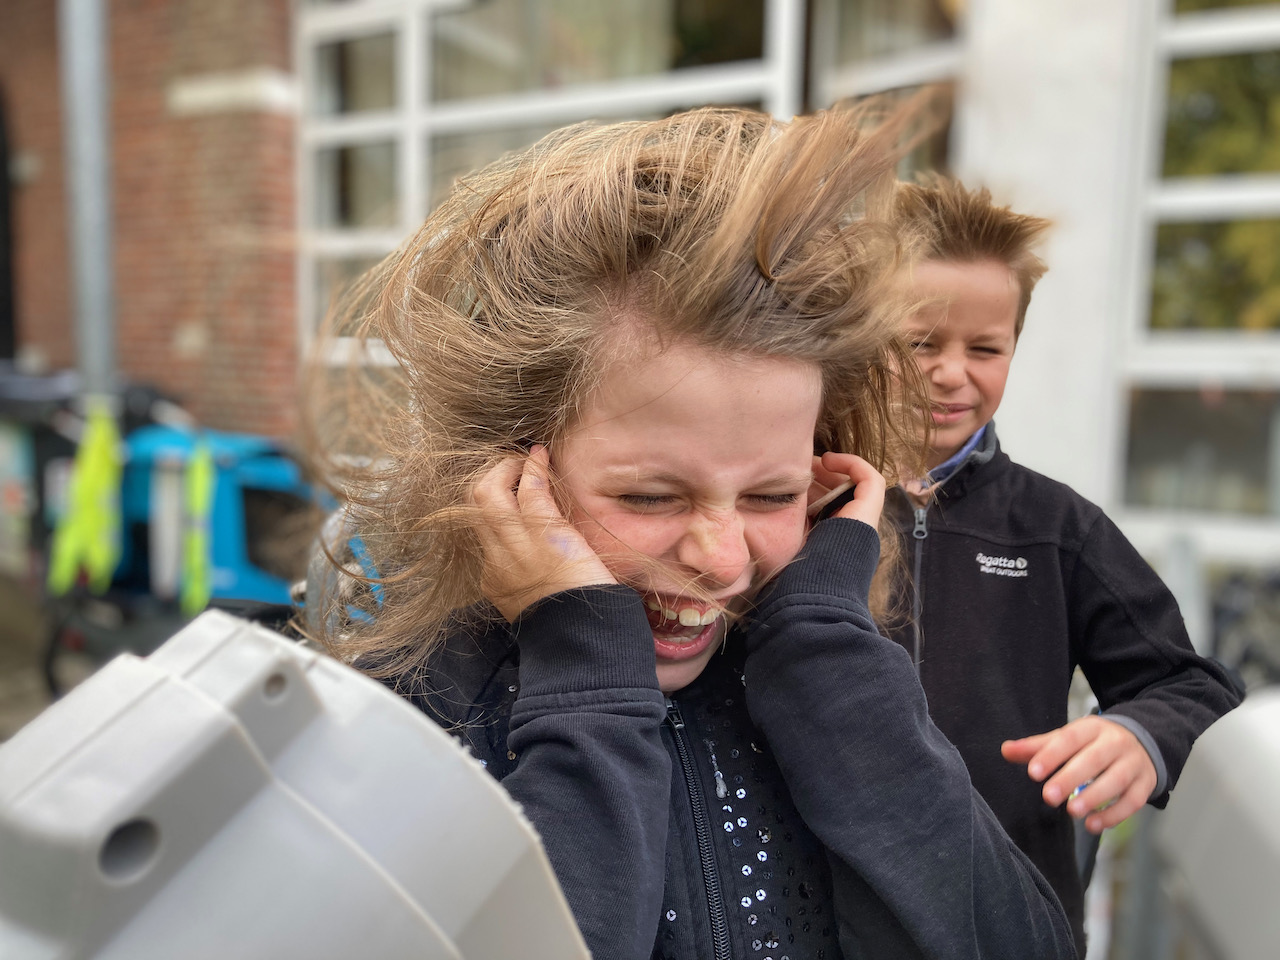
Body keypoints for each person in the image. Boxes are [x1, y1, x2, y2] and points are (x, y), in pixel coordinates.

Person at [307, 106, 1077, 960]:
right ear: (506, 471)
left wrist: (826, 647)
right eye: (648, 497)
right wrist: (589, 690)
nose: (721, 558)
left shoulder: (825, 674)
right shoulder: (410, 715)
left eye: (772, 494)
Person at [889, 175, 1244, 954]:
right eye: (920, 342)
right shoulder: (795, 511)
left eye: (986, 348)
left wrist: (1140, 736)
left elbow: (1192, 685)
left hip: (1013, 929)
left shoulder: (1058, 528)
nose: (952, 372)